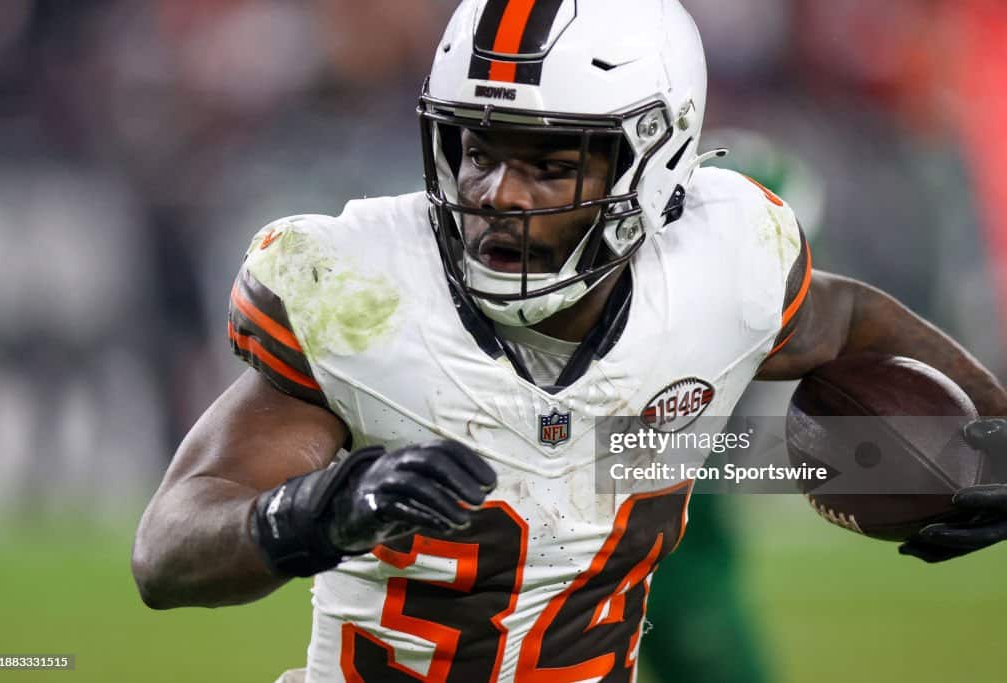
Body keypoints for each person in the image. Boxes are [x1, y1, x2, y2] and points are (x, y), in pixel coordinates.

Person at [132, 1, 1007, 681]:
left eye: (549, 163)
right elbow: (167, 548)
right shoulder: (361, 295)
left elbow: (844, 317)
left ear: (653, 165)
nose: (499, 194)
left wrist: (994, 429)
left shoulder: (720, 267)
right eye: (478, 150)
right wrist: (321, 508)